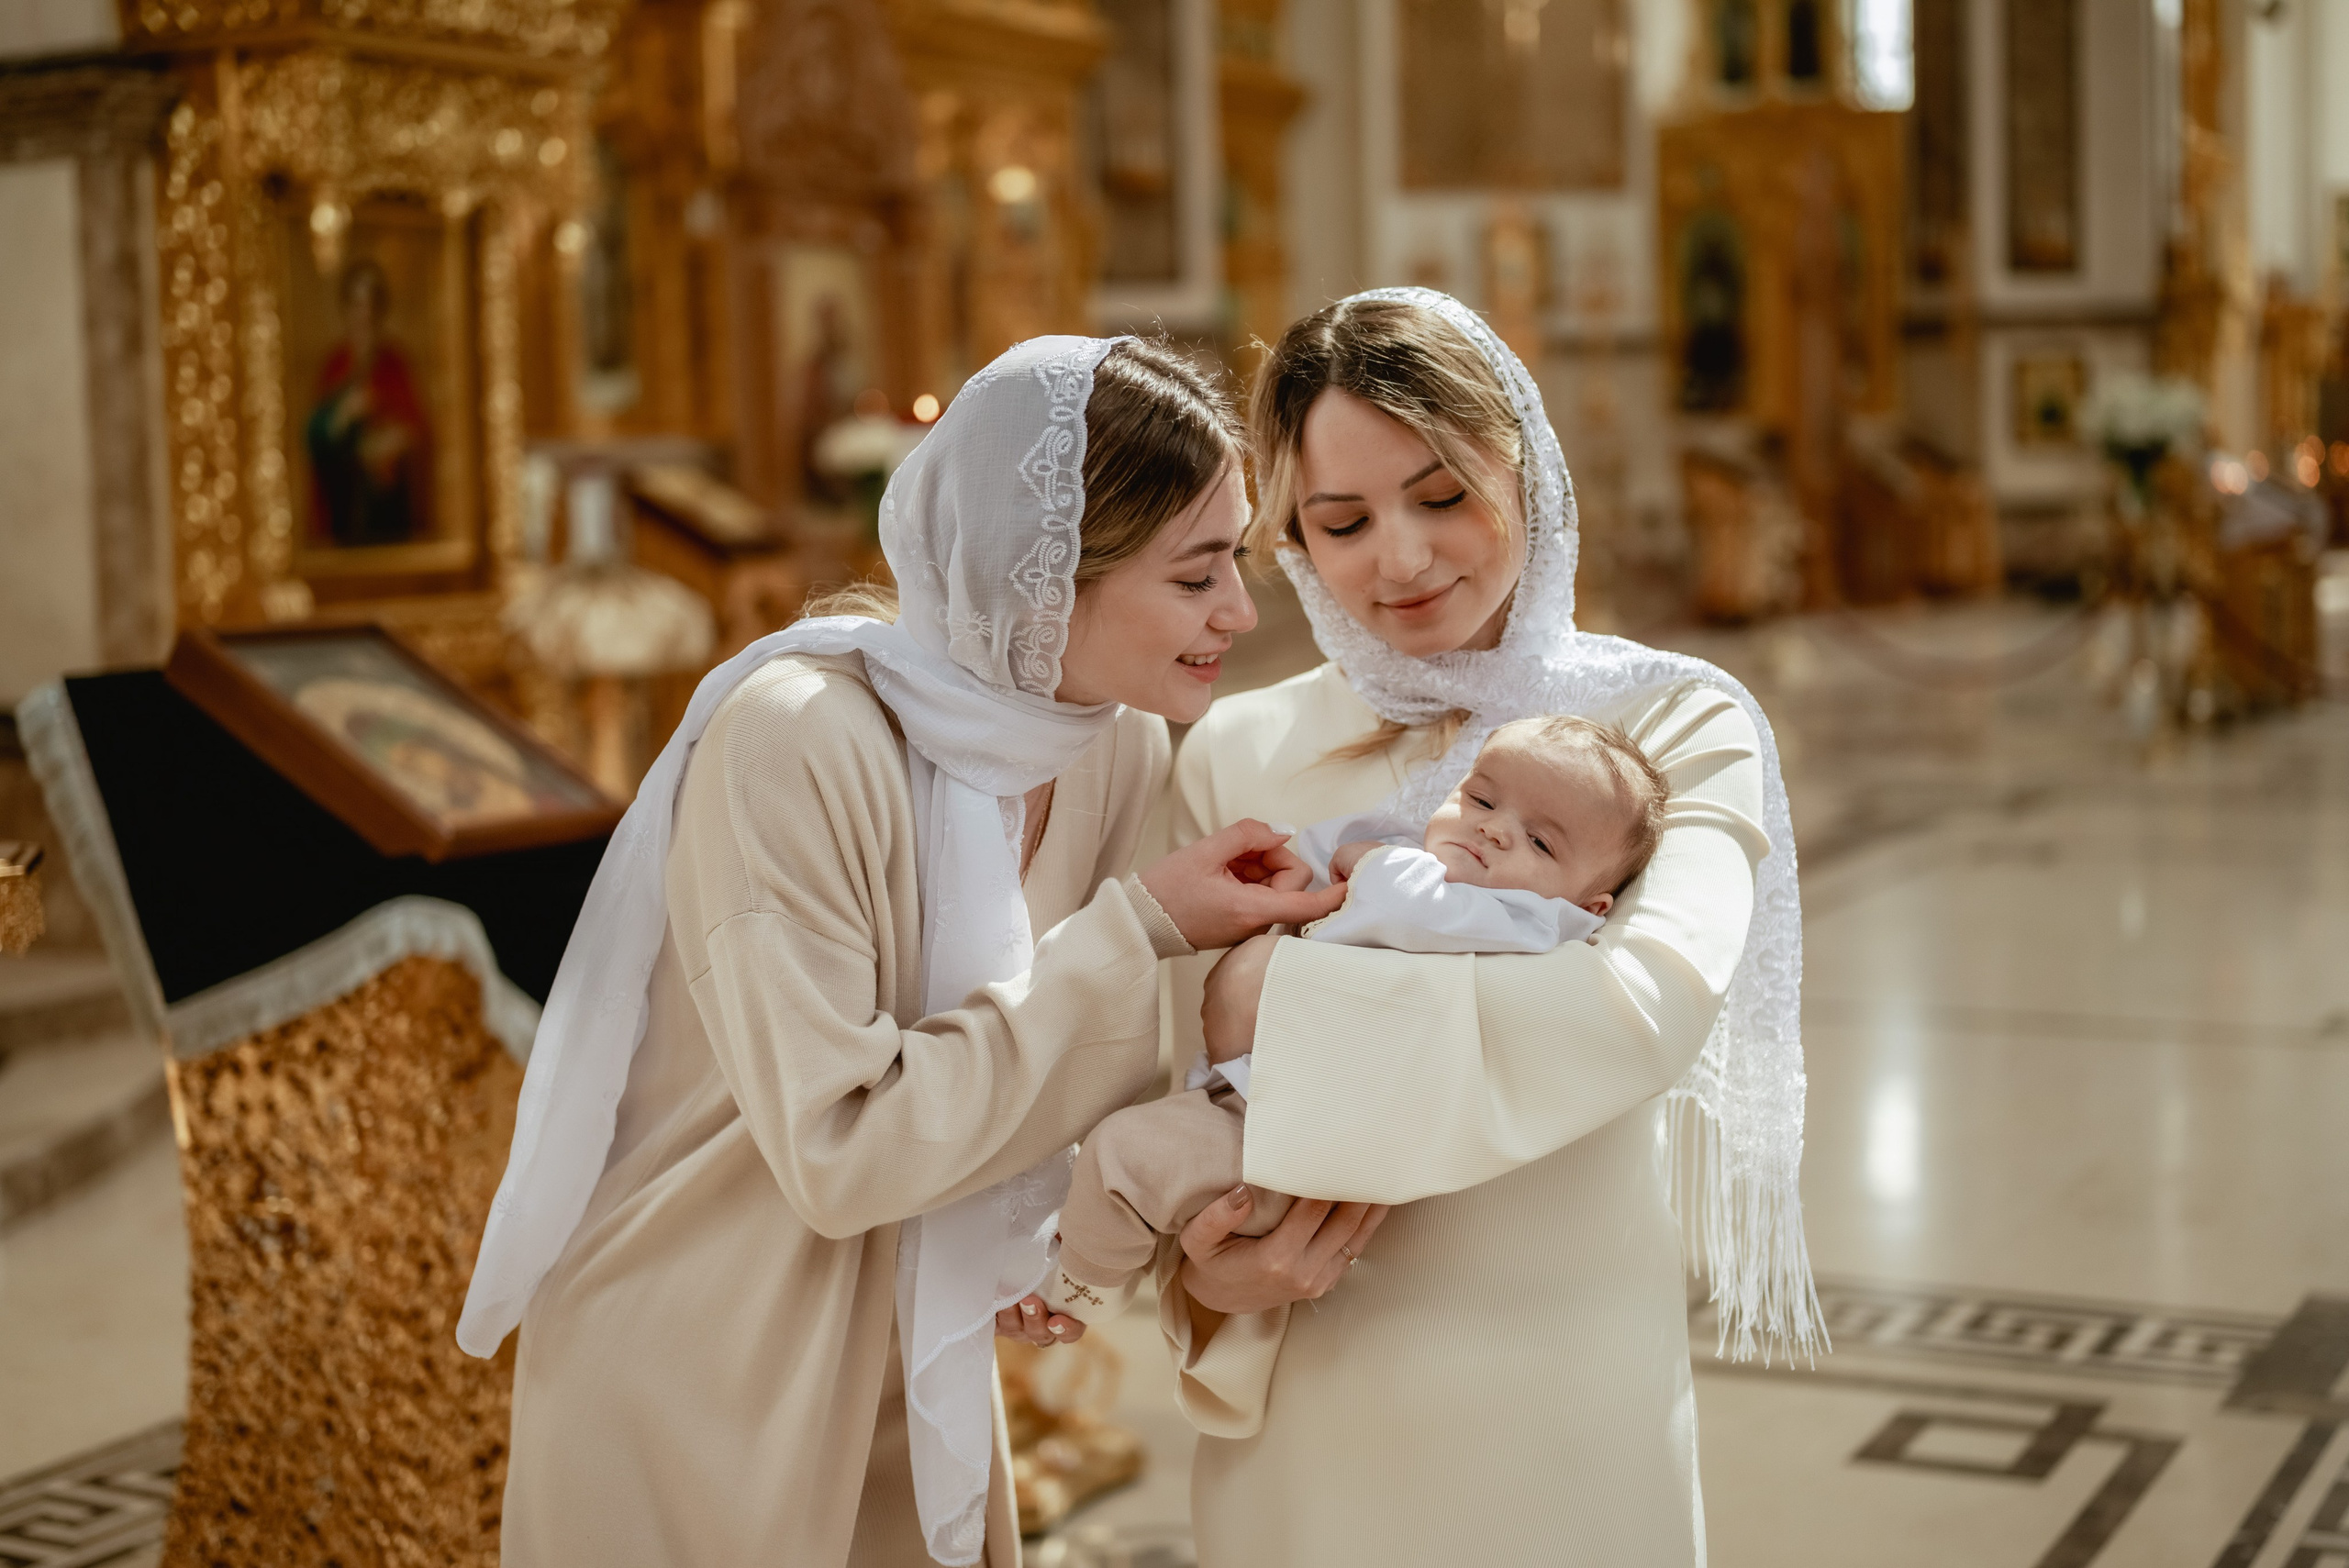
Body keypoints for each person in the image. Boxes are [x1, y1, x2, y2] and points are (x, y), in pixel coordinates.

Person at [453, 336, 1383, 1568]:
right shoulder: (795, 739)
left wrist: (1088, 1238)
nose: (1239, 614)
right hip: (707, 1353)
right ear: (1050, 573)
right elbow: (840, 1147)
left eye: (1240, 565)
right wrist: (1143, 928)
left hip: (920, 1328)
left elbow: (1067, 1075)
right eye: (1199, 572)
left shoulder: (1109, 745)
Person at [1157, 289, 1824, 1567]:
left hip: (1563, 1404)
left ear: (1526, 465)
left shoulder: (1670, 726)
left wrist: (1262, 1003)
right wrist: (1202, 1282)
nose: (1397, 562)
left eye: (1443, 496)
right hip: (1309, 1414)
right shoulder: (1234, 749)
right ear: (1288, 536)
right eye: (1338, 522)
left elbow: (1635, 1015)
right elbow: (1157, 1094)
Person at [1036, 715, 1672, 1324]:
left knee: (1125, 1155)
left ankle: (1073, 1292)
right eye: (1480, 800)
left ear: (1591, 903)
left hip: (1306, 1143)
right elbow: (1338, 852)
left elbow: (1408, 907)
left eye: (1540, 840)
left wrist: (1366, 862)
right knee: (1119, 1157)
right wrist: (1294, 872)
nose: (1496, 830)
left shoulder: (1533, 920)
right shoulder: (1425, 858)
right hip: (1263, 1107)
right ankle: (1066, 1269)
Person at [306, 259, 432, 546]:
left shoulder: (395, 364)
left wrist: (392, 441)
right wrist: (344, 414)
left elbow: (418, 427)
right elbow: (316, 436)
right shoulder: (335, 366)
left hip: (390, 506)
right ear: (346, 309)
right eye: (357, 305)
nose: (364, 315)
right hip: (345, 508)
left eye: (371, 305)